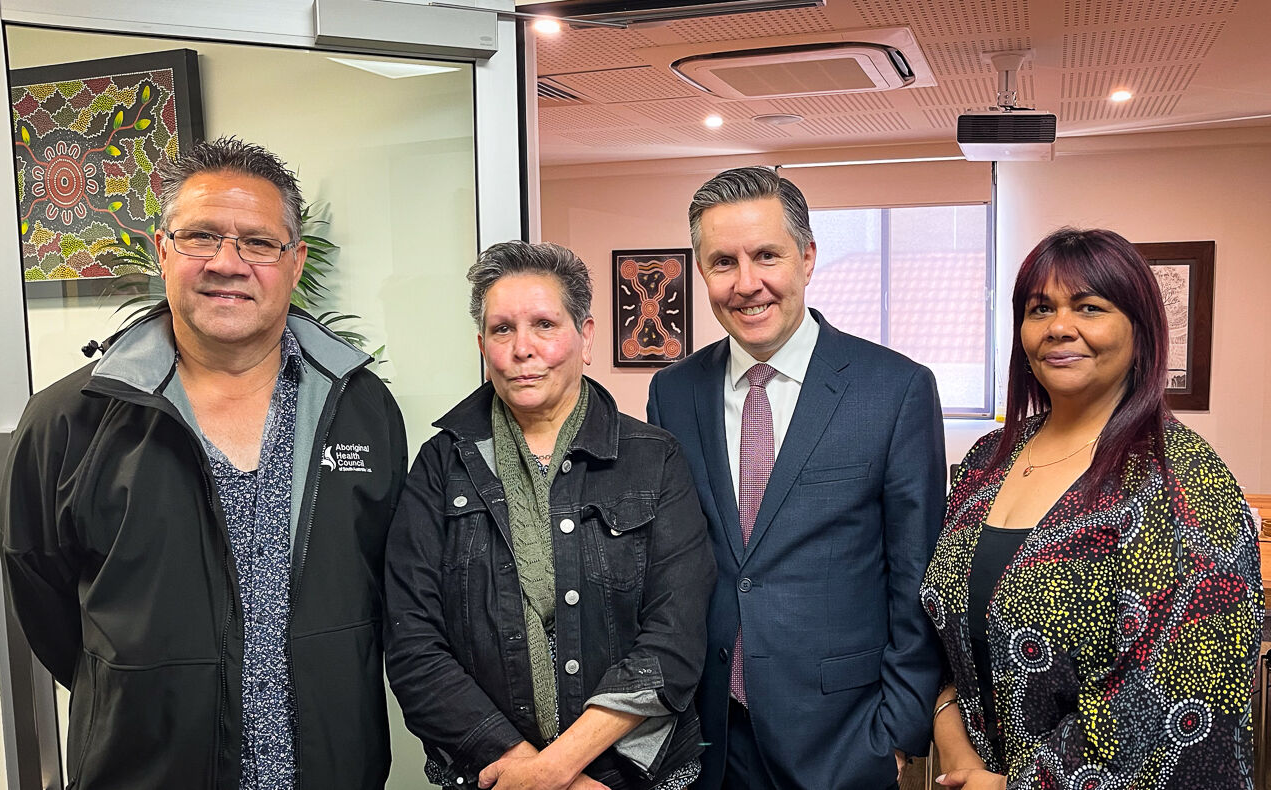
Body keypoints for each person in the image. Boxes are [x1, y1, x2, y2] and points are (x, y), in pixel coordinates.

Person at [0, 137, 407, 790]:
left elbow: (385, 583)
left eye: (258, 242)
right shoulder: (68, 421)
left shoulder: (360, 408)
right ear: (163, 250)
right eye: (201, 237)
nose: (228, 263)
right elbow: (47, 609)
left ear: (294, 262)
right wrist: (148, 684)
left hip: (333, 767)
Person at [921, 228, 1262, 790]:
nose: (1059, 326)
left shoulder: (1181, 480)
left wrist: (1015, 786)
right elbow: (947, 629)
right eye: (1040, 309)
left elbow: (1176, 699)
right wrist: (955, 747)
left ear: (1139, 330)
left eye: (1089, 307)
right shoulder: (990, 457)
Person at [646, 166, 946, 790]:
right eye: (722, 262)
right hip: (710, 739)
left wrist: (897, 733)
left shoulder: (894, 389)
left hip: (844, 737)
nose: (746, 283)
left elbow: (916, 577)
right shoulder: (673, 393)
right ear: (700, 271)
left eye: (766, 256)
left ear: (807, 258)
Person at [385, 241, 716, 790]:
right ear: (482, 344)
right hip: (491, 773)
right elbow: (413, 641)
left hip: (630, 774)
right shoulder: (440, 466)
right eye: (502, 329)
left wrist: (556, 772)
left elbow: (675, 636)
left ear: (586, 337)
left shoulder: (654, 458)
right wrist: (527, 772)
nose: (522, 348)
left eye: (544, 324)